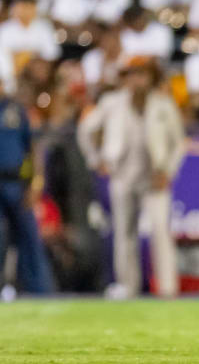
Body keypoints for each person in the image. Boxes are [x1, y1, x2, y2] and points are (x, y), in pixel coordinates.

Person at [77, 57, 185, 299]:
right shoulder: (111, 103)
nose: (137, 80)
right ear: (124, 78)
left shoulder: (163, 104)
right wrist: (96, 160)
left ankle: (168, 290)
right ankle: (128, 288)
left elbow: (178, 143)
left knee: (160, 230)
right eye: (132, 74)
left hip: (154, 176)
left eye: (142, 74)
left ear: (151, 77)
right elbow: (85, 130)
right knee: (124, 233)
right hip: (123, 173)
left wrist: (167, 171)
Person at [0, 82, 53, 295]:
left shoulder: (16, 110)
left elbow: (33, 147)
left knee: (29, 238)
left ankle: (39, 291)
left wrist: (36, 182)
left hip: (16, 183)